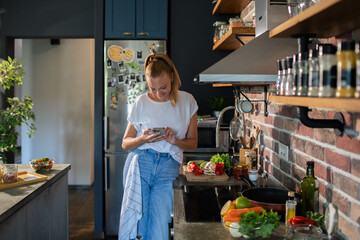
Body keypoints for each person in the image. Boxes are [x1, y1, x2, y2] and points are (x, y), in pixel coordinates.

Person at [119, 52, 198, 240]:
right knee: (138, 222)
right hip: (140, 164)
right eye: (152, 89)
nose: (158, 93)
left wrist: (175, 141)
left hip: (168, 166)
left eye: (163, 88)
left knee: (160, 226)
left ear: (172, 76)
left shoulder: (188, 101)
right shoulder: (141, 102)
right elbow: (125, 144)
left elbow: (193, 143)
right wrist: (142, 139)